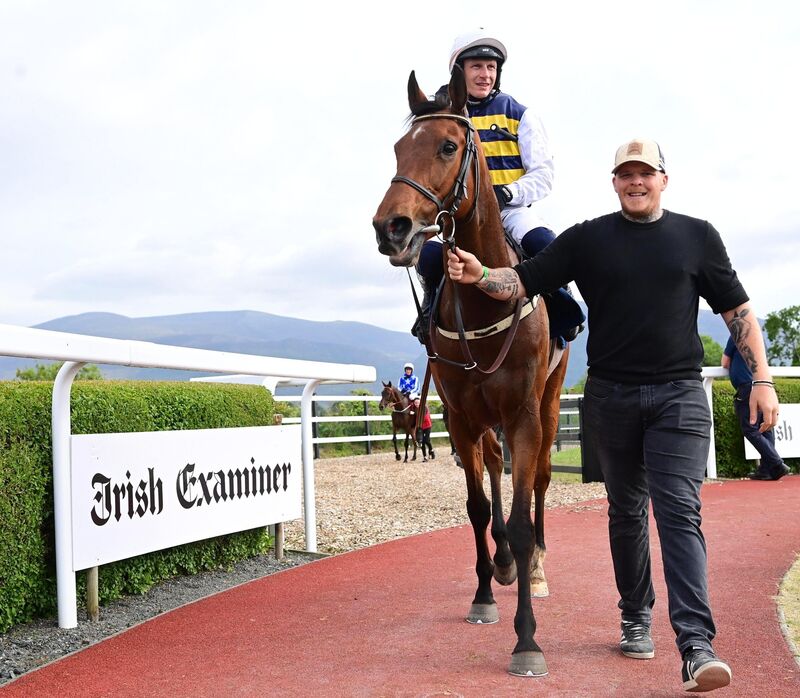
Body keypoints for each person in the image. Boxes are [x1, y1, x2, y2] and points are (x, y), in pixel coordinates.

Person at [445, 137, 781, 693]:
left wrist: (762, 379)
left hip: (678, 396)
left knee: (678, 513)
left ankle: (697, 645)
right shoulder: (589, 238)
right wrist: (482, 275)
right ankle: (635, 615)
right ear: (615, 181)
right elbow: (522, 281)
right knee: (626, 513)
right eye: (626, 174)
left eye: (645, 173)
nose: (635, 182)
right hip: (612, 397)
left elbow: (738, 311)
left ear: (663, 180)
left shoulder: (697, 236)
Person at [411, 28, 584, 344]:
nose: (485, 74)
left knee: (547, 244)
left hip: (511, 211)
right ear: (459, 71)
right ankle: (430, 309)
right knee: (428, 257)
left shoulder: (519, 114)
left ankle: (561, 306)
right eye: (477, 66)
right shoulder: (442, 114)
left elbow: (543, 174)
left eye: (491, 68)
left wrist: (508, 193)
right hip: (458, 215)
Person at [722, 336, 790, 480]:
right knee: (765, 428)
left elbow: (724, 362)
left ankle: (777, 464)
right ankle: (766, 469)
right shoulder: (758, 338)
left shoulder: (736, 334)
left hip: (747, 388)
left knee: (750, 428)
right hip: (762, 386)